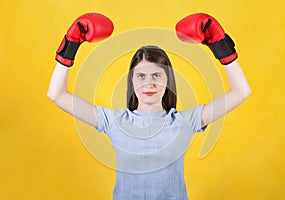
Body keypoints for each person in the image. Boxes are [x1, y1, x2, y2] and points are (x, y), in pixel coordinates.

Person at [47, 12, 251, 200]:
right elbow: (57, 95)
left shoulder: (185, 121)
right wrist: (70, 46)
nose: (149, 83)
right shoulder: (114, 121)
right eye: (141, 76)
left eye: (157, 75)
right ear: (132, 81)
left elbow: (240, 92)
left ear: (168, 80)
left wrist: (222, 47)